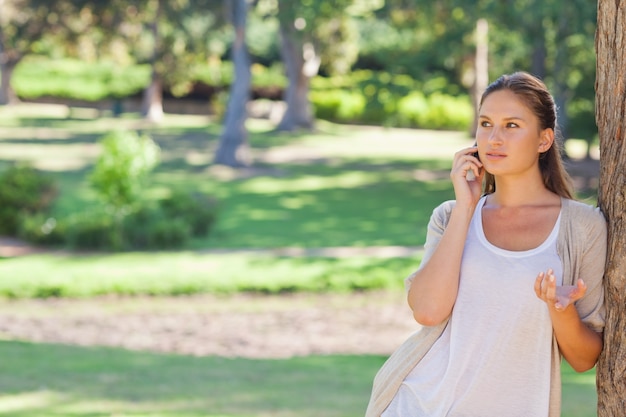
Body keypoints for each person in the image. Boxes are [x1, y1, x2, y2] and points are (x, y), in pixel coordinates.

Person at [365, 72, 607, 417]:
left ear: (544, 140)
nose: (494, 138)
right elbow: (428, 311)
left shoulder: (582, 227)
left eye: (511, 126)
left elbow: (584, 359)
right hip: (420, 405)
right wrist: (466, 207)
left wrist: (560, 308)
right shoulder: (450, 216)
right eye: (485, 123)